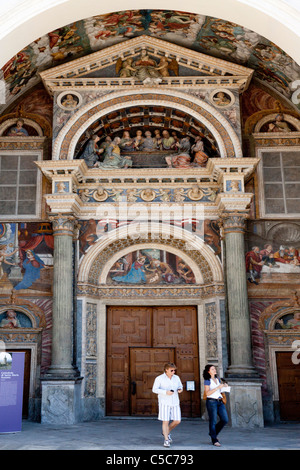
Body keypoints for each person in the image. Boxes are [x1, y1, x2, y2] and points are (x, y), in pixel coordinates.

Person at [152, 362, 183, 447]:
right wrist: (165, 392)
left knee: (177, 420)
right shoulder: (159, 378)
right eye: (172, 370)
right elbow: (154, 389)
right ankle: (166, 439)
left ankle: (166, 432)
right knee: (165, 421)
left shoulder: (176, 378)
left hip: (175, 402)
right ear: (166, 370)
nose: (174, 372)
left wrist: (180, 389)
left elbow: (180, 386)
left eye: (174, 370)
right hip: (164, 402)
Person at [203, 364, 229, 447]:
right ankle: (214, 439)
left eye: (215, 368)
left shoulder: (218, 379)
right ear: (208, 371)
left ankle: (212, 433)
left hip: (219, 401)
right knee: (213, 421)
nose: (215, 370)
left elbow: (220, 390)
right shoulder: (207, 380)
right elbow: (207, 393)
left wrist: (224, 387)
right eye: (212, 369)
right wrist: (218, 388)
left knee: (225, 419)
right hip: (211, 402)